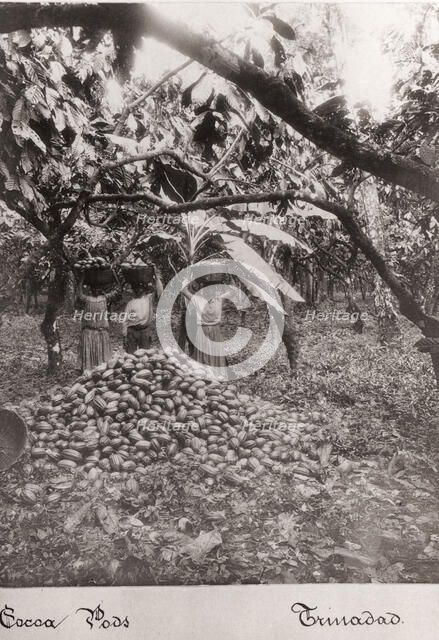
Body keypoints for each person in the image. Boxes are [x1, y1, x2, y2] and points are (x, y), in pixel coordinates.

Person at [77, 273, 118, 372]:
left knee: (103, 360)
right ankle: (88, 374)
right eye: (93, 288)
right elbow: (79, 292)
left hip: (101, 332)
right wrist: (82, 278)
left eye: (98, 288)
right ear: (91, 290)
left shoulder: (104, 298)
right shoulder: (87, 299)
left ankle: (101, 374)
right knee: (89, 358)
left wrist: (113, 274)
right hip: (89, 333)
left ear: (101, 290)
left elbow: (117, 290)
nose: (96, 290)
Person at [122, 267, 163, 353]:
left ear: (144, 289)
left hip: (144, 330)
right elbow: (125, 321)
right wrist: (124, 335)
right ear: (133, 290)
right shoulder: (130, 303)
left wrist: (157, 278)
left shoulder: (148, 298)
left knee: (145, 356)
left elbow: (160, 293)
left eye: (140, 288)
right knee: (131, 356)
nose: (138, 290)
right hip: (132, 331)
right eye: (136, 289)